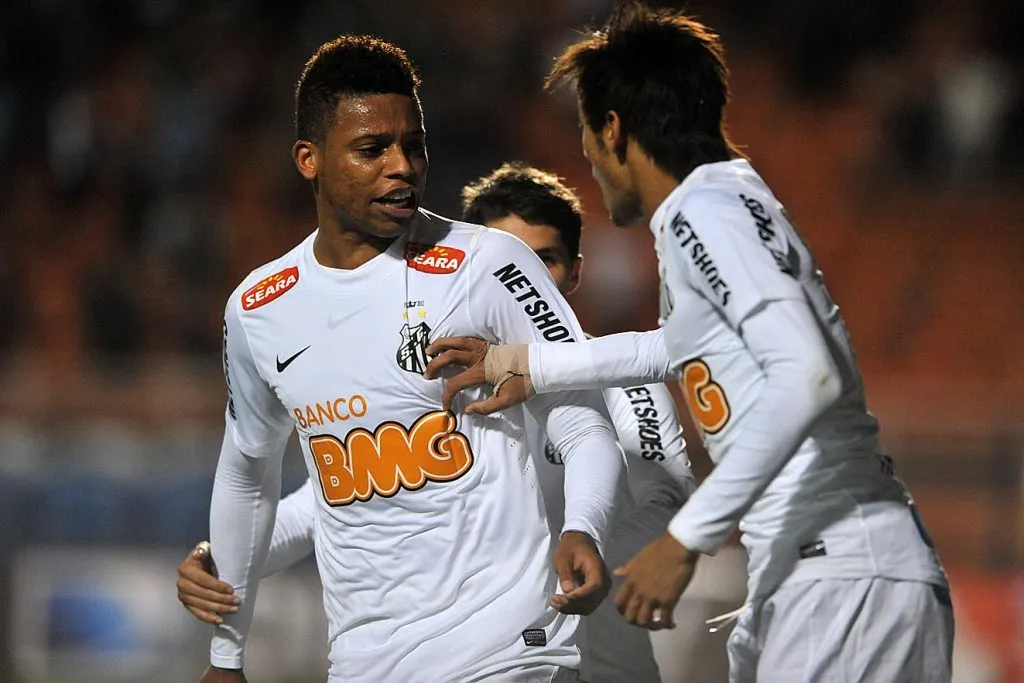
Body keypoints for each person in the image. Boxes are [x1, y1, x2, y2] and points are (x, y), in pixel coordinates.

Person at [424, 5, 954, 682]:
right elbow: (675, 348)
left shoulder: (704, 213)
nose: (588, 158)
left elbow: (808, 374)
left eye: (586, 133)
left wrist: (683, 541)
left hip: (841, 575)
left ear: (612, 128)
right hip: (827, 569)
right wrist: (522, 361)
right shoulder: (731, 199)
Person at [200, 35, 627, 683]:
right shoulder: (260, 309)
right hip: (365, 663)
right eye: (373, 149)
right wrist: (226, 656)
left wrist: (584, 527)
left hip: (510, 649)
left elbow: (582, 419)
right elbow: (248, 475)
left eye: (414, 145)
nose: (402, 165)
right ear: (309, 160)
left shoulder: (489, 264)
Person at [179, 162, 697, 683]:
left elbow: (666, 506)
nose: (525, 276)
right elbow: (331, 504)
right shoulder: (440, 384)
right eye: (511, 257)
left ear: (575, 272)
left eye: (546, 260)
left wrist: (571, 543)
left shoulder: (622, 381)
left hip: (602, 663)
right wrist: (222, 559)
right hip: (502, 651)